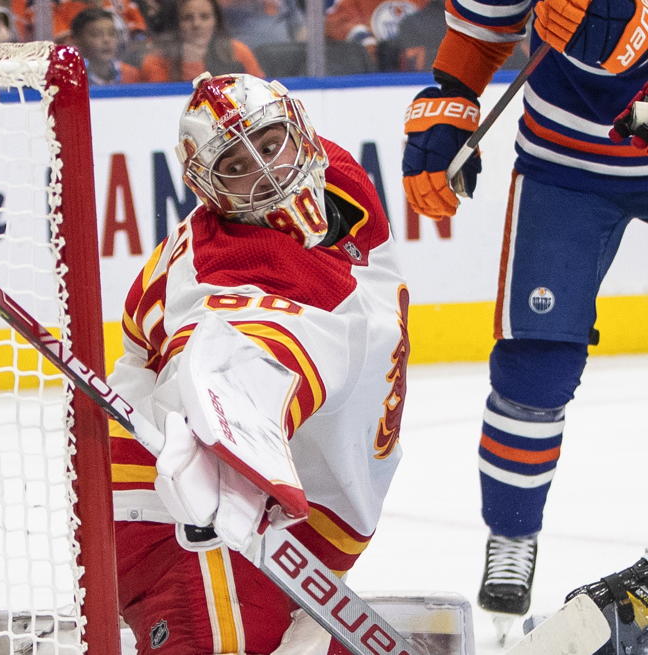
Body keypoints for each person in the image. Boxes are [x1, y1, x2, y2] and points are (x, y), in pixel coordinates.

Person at [109, 72, 409, 654]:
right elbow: (222, 360)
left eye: (270, 144)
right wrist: (218, 449)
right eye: (236, 167)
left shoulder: (340, 182)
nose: (266, 171)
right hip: (189, 520)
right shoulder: (231, 271)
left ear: (301, 131)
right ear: (208, 188)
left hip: (288, 522)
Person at [400, 0, 648, 637]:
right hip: (562, 168)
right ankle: (512, 535)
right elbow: (482, 29)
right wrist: (453, 100)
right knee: (534, 368)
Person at [138, 0, 264, 82]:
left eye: (205, 17)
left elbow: (261, 90)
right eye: (187, 18)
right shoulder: (156, 60)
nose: (196, 24)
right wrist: (191, 62)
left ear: (216, 21)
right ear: (176, 24)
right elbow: (161, 102)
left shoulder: (237, 51)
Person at [71, 8, 141, 84]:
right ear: (78, 40)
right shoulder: (71, 76)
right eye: (96, 34)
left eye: (111, 34)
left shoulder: (131, 74)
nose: (106, 40)